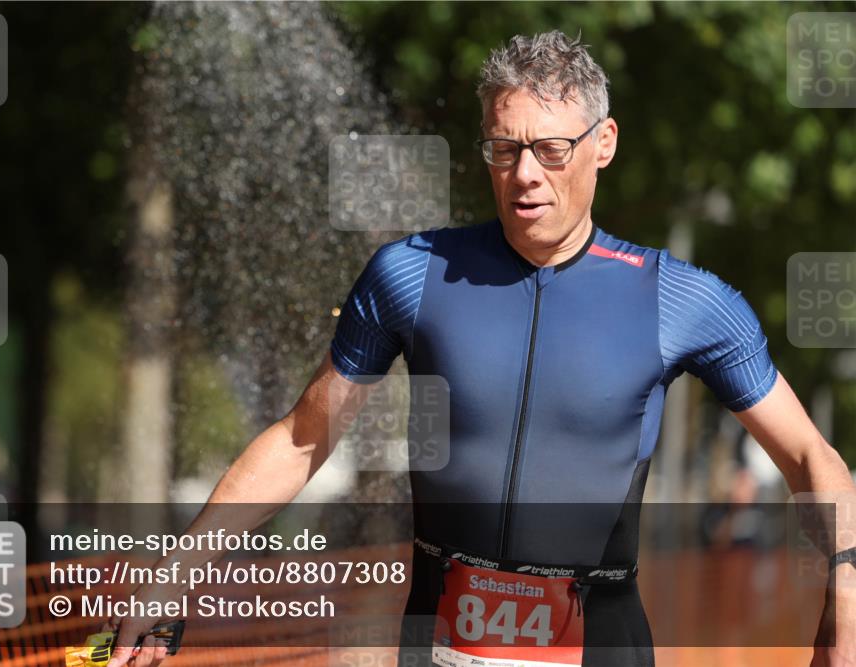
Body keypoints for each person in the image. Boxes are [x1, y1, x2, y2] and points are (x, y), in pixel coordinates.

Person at [105, 31, 855, 667]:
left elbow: (809, 458)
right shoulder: (411, 273)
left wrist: (845, 601)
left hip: (601, 642)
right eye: (504, 148)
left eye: (551, 149)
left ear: (603, 144)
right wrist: (177, 572)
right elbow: (304, 439)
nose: (525, 174)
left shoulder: (680, 299)